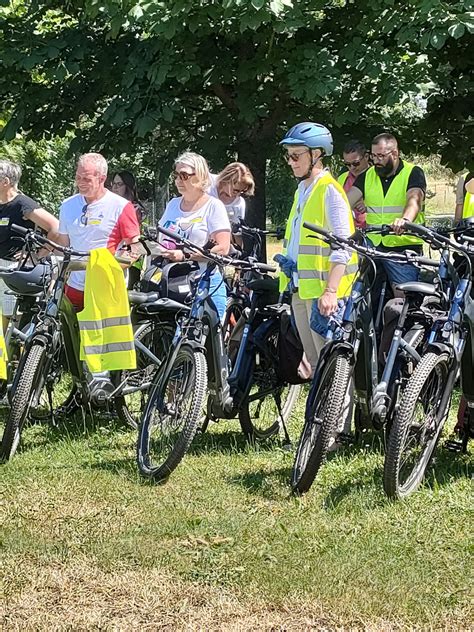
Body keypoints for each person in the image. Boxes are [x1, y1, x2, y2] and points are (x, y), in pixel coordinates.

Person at [277, 122, 358, 374]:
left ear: (316, 155)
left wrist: (331, 291)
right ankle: (320, 414)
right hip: (300, 287)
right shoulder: (302, 189)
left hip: (324, 292)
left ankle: (338, 414)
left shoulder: (329, 190)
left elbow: (343, 244)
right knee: (316, 364)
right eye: (287, 156)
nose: (291, 161)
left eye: (296, 155)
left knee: (332, 367)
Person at [55, 153, 141, 312]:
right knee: (70, 336)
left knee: (106, 336)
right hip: (74, 287)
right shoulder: (67, 205)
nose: (80, 183)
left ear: (102, 178)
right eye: (78, 177)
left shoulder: (121, 206)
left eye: (86, 179)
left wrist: (108, 267)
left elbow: (136, 249)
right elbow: (63, 246)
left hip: (106, 288)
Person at [347, 133, 427, 292]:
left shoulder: (413, 172)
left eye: (381, 156)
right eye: (374, 156)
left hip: (403, 247)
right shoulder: (367, 175)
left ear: (395, 154)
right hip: (373, 246)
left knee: (403, 298)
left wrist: (405, 220)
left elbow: (414, 199)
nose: (376, 161)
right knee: (362, 296)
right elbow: (346, 202)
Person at [159, 152, 231, 321]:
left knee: (203, 342)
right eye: (176, 175)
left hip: (204, 283)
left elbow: (223, 247)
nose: (178, 180)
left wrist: (185, 256)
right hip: (172, 281)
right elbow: (161, 237)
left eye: (184, 175)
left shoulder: (213, 206)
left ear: (200, 176)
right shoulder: (173, 204)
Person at [0, 159, 59, 322]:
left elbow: (55, 226)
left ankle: (16, 347)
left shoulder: (22, 203)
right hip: (2, 265)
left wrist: (39, 255)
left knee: (12, 318)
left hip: (16, 268)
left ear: (5, 182)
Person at [111, 170, 147, 288]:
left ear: (128, 186)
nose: (115, 188)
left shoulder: (135, 209)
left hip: (132, 258)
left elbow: (136, 239)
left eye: (119, 184)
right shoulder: (112, 206)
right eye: (113, 184)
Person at [209, 162, 254, 249]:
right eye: (236, 190)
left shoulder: (239, 203)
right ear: (226, 181)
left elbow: (236, 233)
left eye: (242, 191)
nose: (237, 195)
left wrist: (240, 253)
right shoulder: (207, 184)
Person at [337, 140, 370, 228]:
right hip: (348, 231)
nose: (352, 168)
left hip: (372, 232)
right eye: (347, 164)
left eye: (356, 163)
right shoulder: (342, 178)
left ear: (366, 157)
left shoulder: (377, 176)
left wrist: (367, 206)